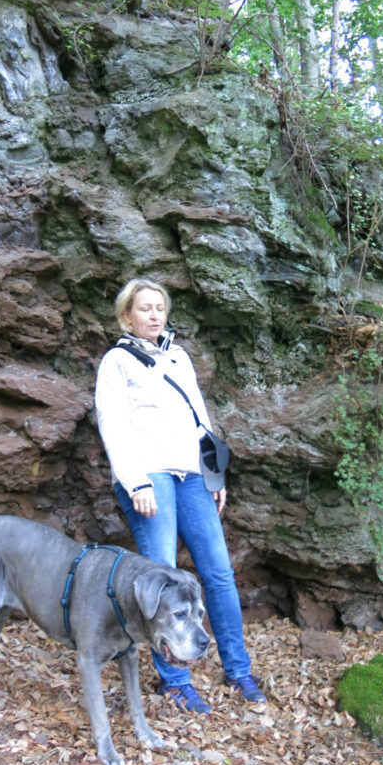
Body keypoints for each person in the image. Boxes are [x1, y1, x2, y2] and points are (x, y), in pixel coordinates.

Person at [94, 277, 265, 713]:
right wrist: (135, 482)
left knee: (219, 573)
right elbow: (112, 424)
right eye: (144, 308)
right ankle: (173, 680)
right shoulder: (116, 361)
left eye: (159, 308)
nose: (154, 315)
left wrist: (215, 476)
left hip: (191, 474)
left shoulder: (178, 356)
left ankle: (238, 669)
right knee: (162, 579)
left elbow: (199, 420)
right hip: (149, 474)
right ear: (127, 316)